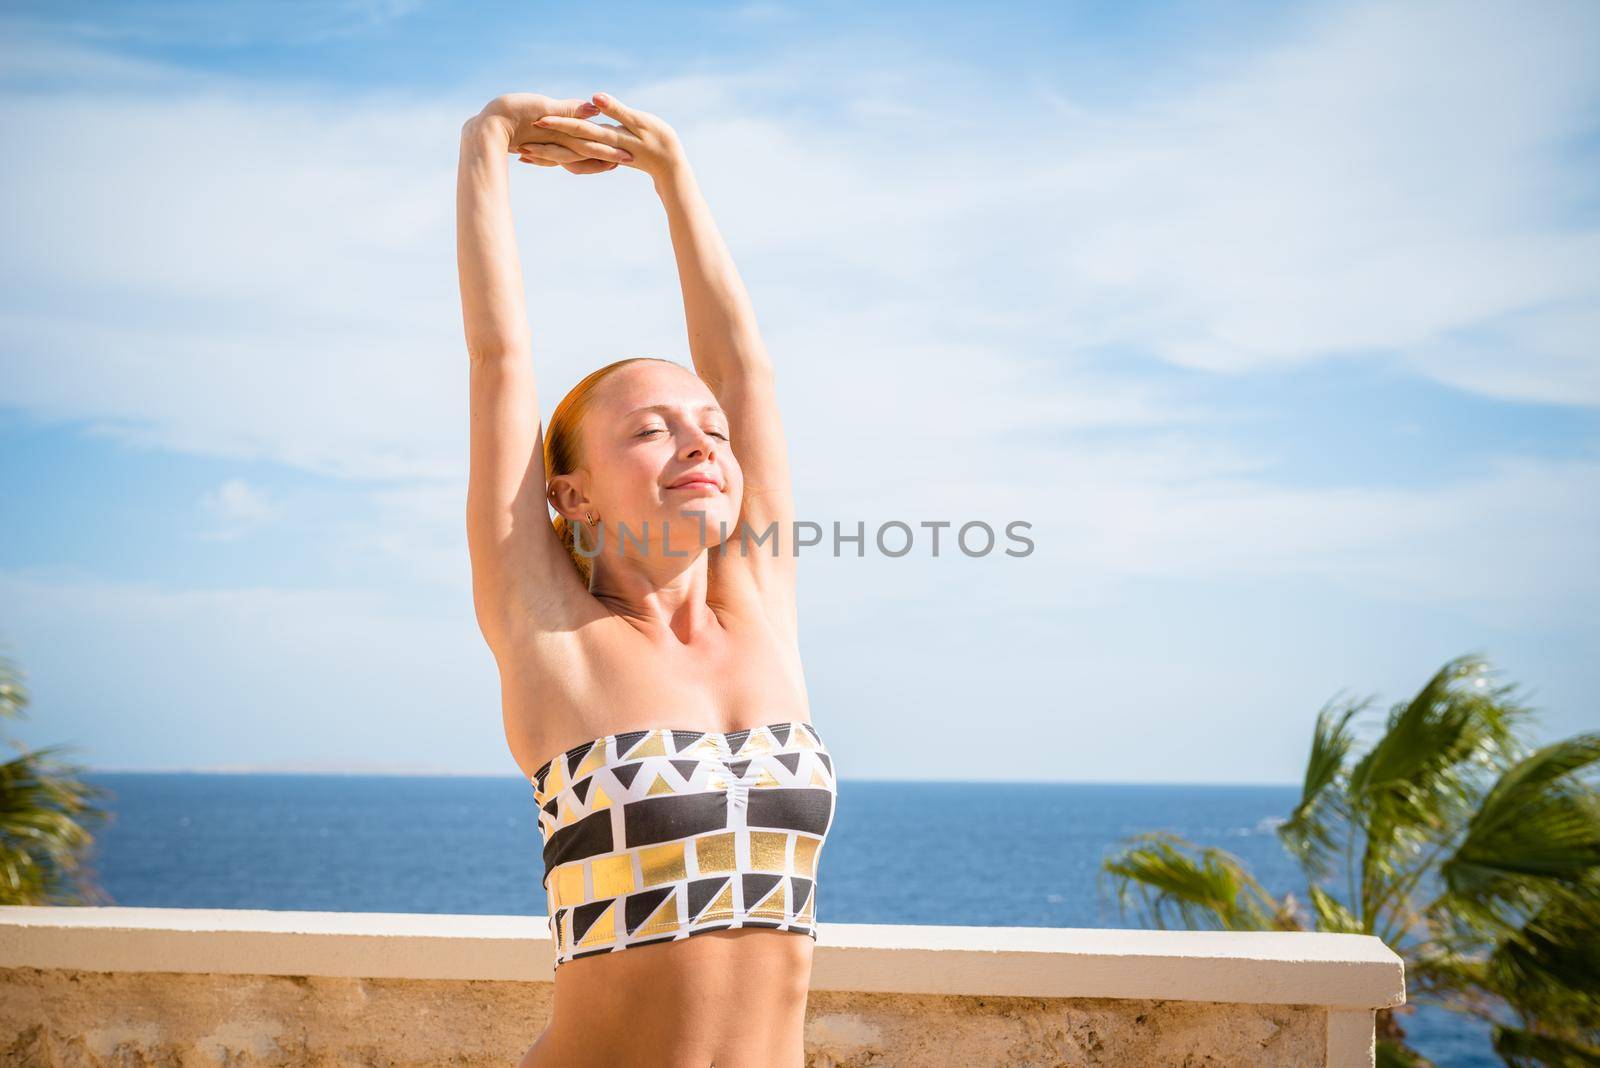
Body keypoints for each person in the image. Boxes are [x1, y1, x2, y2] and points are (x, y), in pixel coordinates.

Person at [456, 90, 839, 1068]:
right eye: (650, 428)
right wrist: (488, 144)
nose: (699, 441)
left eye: (706, 429)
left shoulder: (759, 617)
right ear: (571, 497)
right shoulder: (554, 640)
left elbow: (745, 376)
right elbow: (500, 361)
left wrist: (671, 174)